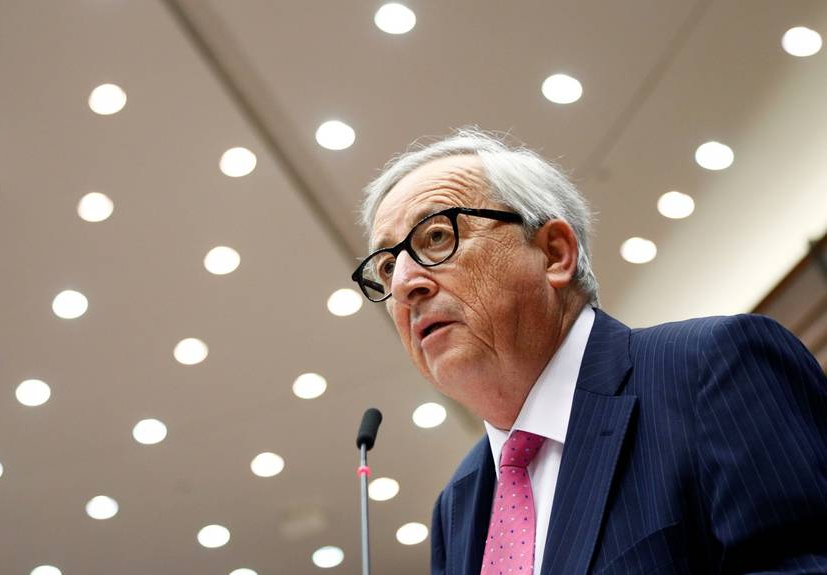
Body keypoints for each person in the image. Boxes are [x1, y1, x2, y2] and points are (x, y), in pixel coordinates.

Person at [351, 129, 827, 575]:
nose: (406, 284)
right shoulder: (457, 503)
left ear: (555, 253)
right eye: (388, 267)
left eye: (436, 236)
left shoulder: (713, 368)